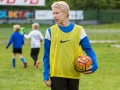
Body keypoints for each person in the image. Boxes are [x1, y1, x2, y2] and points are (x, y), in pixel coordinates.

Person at [43, 1, 98, 90]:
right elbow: (46, 55)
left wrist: (95, 64)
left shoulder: (79, 30)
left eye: (57, 13)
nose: (54, 16)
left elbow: (88, 49)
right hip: (56, 74)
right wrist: (46, 73)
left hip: (74, 74)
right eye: (53, 13)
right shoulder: (50, 31)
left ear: (66, 13)